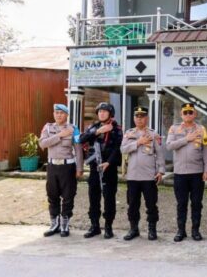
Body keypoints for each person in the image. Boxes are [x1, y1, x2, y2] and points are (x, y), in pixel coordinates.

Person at [165, 102, 207, 242]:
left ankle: (195, 230)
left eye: (191, 112)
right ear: (181, 114)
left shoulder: (202, 129)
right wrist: (187, 139)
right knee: (181, 203)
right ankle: (181, 231)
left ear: (195, 114)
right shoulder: (174, 128)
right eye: (185, 112)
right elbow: (169, 146)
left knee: (197, 203)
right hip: (180, 173)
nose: (188, 114)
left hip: (197, 173)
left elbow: (206, 150)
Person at [79, 102, 123, 239]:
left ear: (110, 113)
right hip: (94, 168)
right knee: (93, 197)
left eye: (104, 111)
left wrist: (109, 162)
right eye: (99, 111)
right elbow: (81, 139)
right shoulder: (93, 127)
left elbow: (118, 148)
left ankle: (108, 227)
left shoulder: (117, 129)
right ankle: (95, 226)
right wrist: (98, 131)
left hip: (109, 169)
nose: (101, 113)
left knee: (109, 199)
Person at [38, 104, 83, 238]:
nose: (59, 115)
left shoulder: (73, 129)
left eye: (61, 113)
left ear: (67, 115)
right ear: (53, 114)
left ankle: (65, 224)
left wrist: (79, 168)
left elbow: (78, 149)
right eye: (56, 112)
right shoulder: (48, 128)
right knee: (52, 195)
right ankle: (54, 224)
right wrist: (60, 135)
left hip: (67, 167)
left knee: (68, 196)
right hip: (52, 167)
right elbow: (42, 144)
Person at [121, 105, 165, 241]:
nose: (139, 119)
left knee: (151, 204)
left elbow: (160, 154)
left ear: (147, 118)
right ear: (134, 118)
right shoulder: (129, 133)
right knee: (132, 204)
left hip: (149, 176)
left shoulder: (153, 134)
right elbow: (123, 149)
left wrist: (161, 171)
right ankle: (133, 229)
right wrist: (138, 142)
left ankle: (152, 229)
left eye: (142, 116)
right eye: (137, 116)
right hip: (133, 176)